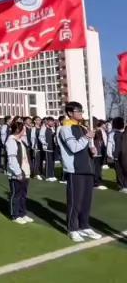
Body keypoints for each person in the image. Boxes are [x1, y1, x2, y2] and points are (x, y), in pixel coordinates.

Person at [58, 102, 102, 242]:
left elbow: (88, 146)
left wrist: (92, 149)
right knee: (75, 201)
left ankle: (84, 226)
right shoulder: (65, 128)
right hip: (75, 169)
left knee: (86, 201)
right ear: (70, 113)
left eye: (82, 110)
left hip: (88, 168)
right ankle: (72, 228)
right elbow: (74, 147)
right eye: (78, 111)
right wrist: (87, 137)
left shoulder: (83, 127)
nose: (81, 113)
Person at [6, 121, 33, 224]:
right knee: (16, 194)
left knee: (23, 194)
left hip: (25, 171)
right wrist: (18, 172)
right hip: (16, 174)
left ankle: (22, 213)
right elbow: (12, 159)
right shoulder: (11, 141)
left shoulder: (21, 140)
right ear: (18, 130)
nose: (25, 131)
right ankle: (15, 215)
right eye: (23, 129)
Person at [107, 117, 127, 192]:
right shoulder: (114, 133)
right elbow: (110, 144)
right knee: (121, 171)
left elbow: (110, 144)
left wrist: (110, 155)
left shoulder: (114, 133)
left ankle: (122, 185)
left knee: (121, 171)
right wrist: (110, 155)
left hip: (118, 155)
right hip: (118, 156)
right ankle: (122, 186)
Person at [39, 117, 57, 181]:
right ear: (47, 122)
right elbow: (41, 137)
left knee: (52, 162)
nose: (52, 123)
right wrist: (44, 144)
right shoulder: (43, 128)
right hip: (47, 148)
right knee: (48, 162)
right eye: (51, 121)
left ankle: (52, 175)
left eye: (53, 121)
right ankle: (47, 176)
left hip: (53, 147)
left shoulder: (52, 129)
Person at [93, 121, 108, 190]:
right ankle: (96, 183)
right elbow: (97, 140)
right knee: (97, 168)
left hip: (100, 151)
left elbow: (103, 141)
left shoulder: (101, 131)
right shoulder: (96, 131)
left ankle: (98, 181)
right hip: (96, 152)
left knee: (98, 167)